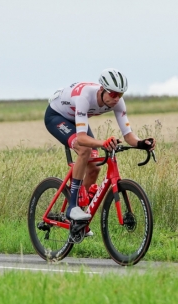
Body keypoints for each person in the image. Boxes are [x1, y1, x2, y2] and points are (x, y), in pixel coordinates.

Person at [44, 68, 156, 227]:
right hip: (56, 117)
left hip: (76, 120)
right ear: (102, 89)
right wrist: (103, 142)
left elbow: (128, 135)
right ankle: (72, 207)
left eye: (121, 95)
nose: (117, 98)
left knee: (95, 167)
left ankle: (76, 222)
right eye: (113, 94)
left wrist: (141, 143)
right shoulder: (85, 97)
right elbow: (82, 138)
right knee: (84, 150)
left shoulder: (117, 102)